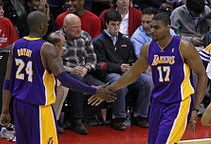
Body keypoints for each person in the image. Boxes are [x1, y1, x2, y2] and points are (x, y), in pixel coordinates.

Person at [89, 13, 208, 144]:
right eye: (151, 27)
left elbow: (202, 75)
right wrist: (109, 89)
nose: (152, 30)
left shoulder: (183, 47)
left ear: (168, 28)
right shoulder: (148, 48)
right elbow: (133, 73)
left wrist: (195, 109)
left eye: (156, 27)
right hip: (157, 102)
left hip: (178, 102)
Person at [0, 11, 115, 144]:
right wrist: (95, 90)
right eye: (47, 22)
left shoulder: (15, 45)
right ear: (42, 25)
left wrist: (5, 110)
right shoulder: (46, 48)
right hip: (39, 108)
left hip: (19, 105)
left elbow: (7, 81)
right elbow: (65, 79)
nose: (49, 25)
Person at [93, 10, 153, 129]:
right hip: (109, 74)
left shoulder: (126, 41)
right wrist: (119, 67)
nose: (116, 28)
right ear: (106, 24)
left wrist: (133, 65)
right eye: (113, 25)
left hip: (127, 73)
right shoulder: (98, 42)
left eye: (118, 25)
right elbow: (100, 65)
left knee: (147, 81)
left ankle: (140, 115)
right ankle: (118, 117)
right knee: (120, 82)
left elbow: (132, 59)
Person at [57, 13, 106, 134]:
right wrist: (71, 70)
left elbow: (92, 58)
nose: (79, 29)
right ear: (65, 27)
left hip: (84, 73)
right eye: (75, 27)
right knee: (77, 80)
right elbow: (54, 64)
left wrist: (87, 67)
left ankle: (82, 117)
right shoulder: (57, 38)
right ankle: (76, 120)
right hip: (65, 74)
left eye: (79, 26)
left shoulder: (85, 36)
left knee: (104, 88)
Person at [47, 32, 69, 133]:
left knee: (64, 86)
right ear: (56, 46)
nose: (64, 48)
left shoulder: (57, 53)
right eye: (62, 46)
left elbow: (59, 68)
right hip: (38, 83)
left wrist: (72, 70)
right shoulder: (45, 53)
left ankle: (54, 119)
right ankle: (50, 120)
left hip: (51, 79)